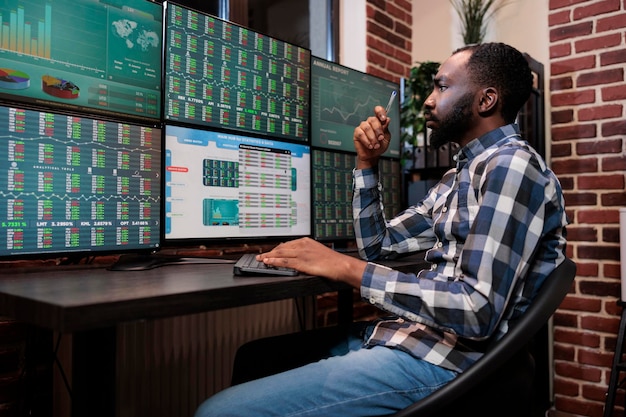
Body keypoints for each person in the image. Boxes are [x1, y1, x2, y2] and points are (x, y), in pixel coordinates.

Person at [194, 42, 568, 417]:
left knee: (215, 413)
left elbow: (476, 310)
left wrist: (346, 268)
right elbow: (379, 245)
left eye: (441, 87)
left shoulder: (512, 166)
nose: (426, 99)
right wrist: (367, 164)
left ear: (486, 100)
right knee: (255, 358)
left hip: (448, 361)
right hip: (417, 338)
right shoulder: (461, 175)